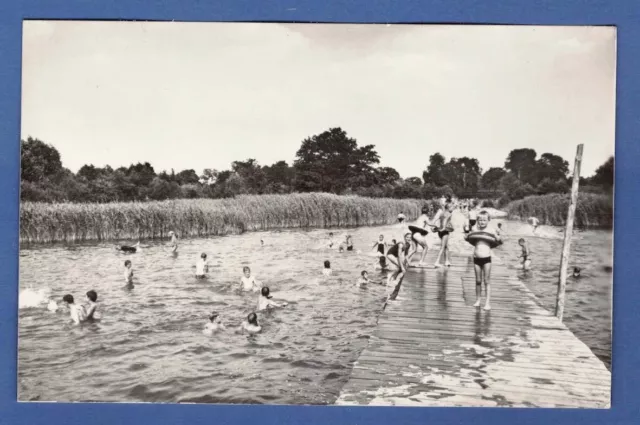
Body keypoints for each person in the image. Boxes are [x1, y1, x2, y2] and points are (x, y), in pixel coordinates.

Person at [464, 210, 500, 311]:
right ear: (477, 220)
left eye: (484, 220)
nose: (482, 222)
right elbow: (468, 237)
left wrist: (498, 235)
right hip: (476, 258)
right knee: (478, 281)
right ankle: (478, 300)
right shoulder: (475, 228)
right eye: (479, 220)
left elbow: (498, 239)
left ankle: (487, 303)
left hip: (487, 259)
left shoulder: (491, 230)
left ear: (488, 220)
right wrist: (466, 234)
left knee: (487, 281)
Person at [433, 201, 455, 268]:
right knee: (442, 247)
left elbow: (436, 220)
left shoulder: (442, 213)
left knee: (446, 247)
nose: (453, 209)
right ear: (449, 208)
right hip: (445, 231)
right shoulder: (449, 213)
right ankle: (437, 262)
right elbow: (445, 221)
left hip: (440, 231)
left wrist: (435, 227)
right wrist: (444, 228)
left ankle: (447, 261)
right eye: (452, 208)